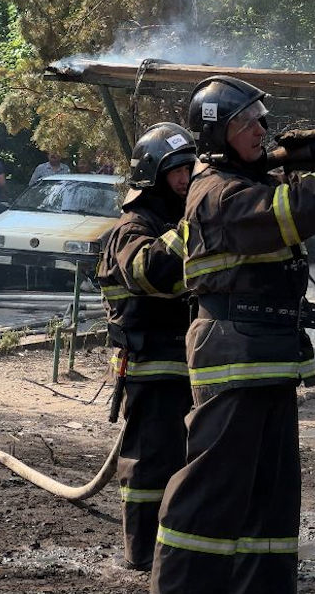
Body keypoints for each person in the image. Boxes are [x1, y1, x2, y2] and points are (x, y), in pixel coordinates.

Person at [150, 76, 315, 594]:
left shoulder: (243, 178)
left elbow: (277, 184)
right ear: (218, 136)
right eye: (245, 123)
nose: (260, 128)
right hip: (235, 357)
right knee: (212, 487)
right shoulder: (216, 193)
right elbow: (292, 212)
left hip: (266, 355)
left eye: (260, 118)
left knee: (272, 494)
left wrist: (311, 151)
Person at [97, 122, 197, 572]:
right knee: (149, 463)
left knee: (186, 460)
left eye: (189, 167)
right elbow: (150, 271)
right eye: (176, 169)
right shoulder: (132, 227)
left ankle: (176, 548)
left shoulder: (178, 219)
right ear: (153, 174)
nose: (185, 177)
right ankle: (140, 552)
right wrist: (197, 224)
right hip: (151, 363)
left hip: (191, 364)